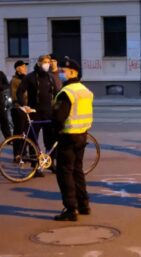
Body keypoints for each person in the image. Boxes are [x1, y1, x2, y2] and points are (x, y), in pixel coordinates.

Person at [51, 59, 93, 221]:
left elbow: (59, 116)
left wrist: (56, 131)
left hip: (68, 136)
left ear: (72, 73)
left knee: (65, 172)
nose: (61, 73)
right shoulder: (85, 90)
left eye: (63, 70)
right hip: (82, 135)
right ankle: (84, 204)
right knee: (77, 170)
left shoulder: (67, 92)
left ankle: (70, 208)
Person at [16, 54, 60, 176]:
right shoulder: (30, 77)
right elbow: (20, 92)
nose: (47, 64)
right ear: (39, 63)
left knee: (50, 138)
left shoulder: (50, 77)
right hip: (35, 112)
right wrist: (24, 105)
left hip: (48, 112)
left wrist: (57, 108)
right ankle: (35, 166)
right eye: (45, 62)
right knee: (32, 140)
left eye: (49, 62)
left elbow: (57, 94)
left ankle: (50, 163)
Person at [9, 60, 29, 157]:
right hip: (18, 109)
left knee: (26, 132)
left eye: (25, 67)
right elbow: (15, 96)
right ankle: (17, 154)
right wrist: (22, 104)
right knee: (19, 131)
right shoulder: (15, 81)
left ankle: (23, 152)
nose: (25, 68)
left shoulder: (26, 79)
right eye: (23, 67)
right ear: (18, 69)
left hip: (27, 109)